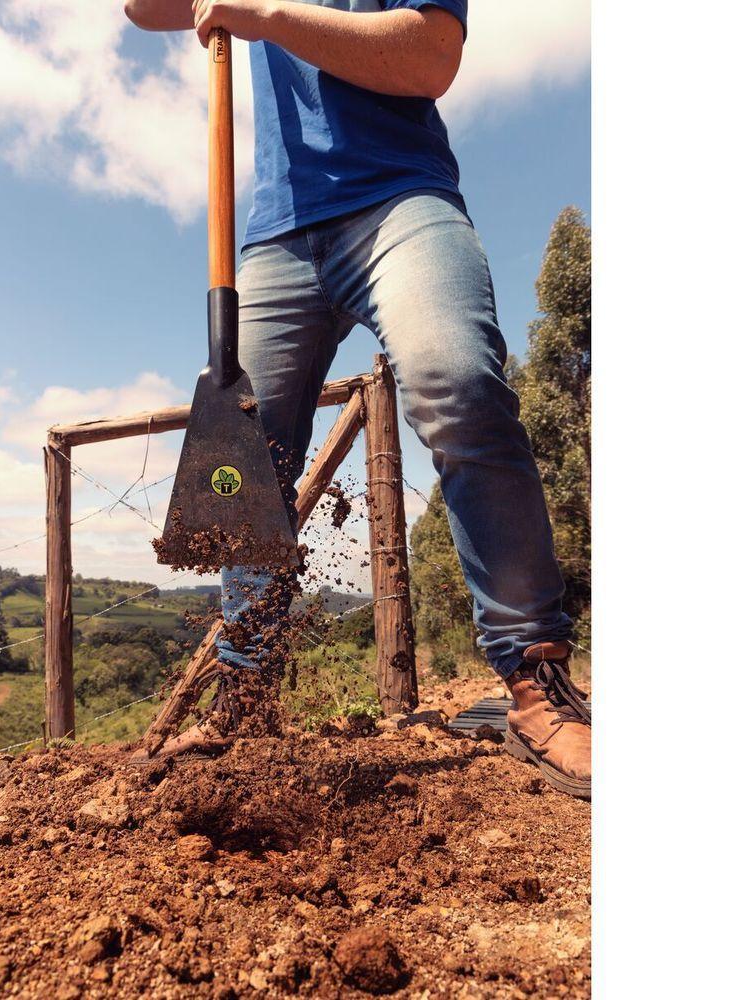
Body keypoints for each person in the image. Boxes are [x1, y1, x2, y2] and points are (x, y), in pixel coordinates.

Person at [125, 0, 591, 799]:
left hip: (401, 202)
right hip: (276, 233)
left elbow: (430, 56)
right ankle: (243, 695)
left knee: (457, 379)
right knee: (247, 448)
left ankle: (535, 675)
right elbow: (141, 8)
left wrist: (266, 16)